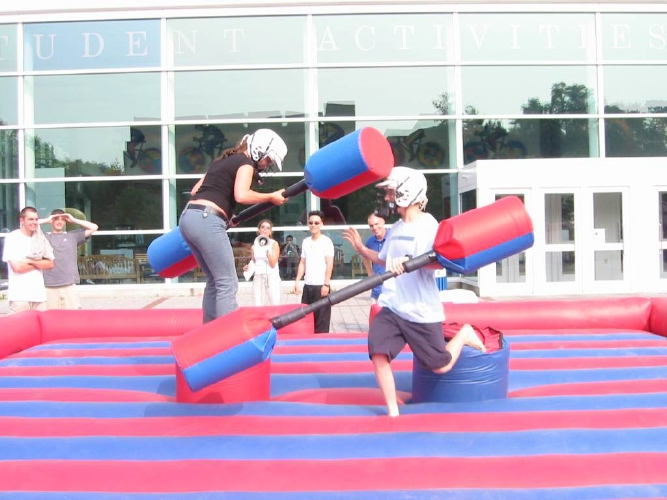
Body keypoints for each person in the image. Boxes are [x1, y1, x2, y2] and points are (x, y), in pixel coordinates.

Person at [342, 167, 486, 417]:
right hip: (394, 306)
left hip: (420, 310)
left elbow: (437, 264)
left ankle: (464, 333)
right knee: (378, 352)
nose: (387, 197)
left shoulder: (429, 226)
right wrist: (361, 249)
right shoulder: (396, 228)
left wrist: (410, 262)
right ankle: (392, 410)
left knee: (439, 366)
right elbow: (385, 259)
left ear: (406, 192)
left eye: (391, 191)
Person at [179, 128, 288, 323]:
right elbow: (241, 195)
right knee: (227, 282)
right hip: (207, 219)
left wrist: (224, 211)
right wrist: (271, 196)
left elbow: (196, 191)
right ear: (259, 149)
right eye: (268, 160)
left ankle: (210, 332)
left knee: (214, 281)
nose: (266, 165)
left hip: (189, 217)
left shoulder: (222, 160)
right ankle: (227, 334)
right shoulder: (245, 163)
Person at [40, 209, 99, 310]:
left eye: (62, 219)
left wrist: (73, 220)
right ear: (52, 221)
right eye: (56, 219)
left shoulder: (72, 236)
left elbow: (94, 227)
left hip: (69, 285)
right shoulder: (44, 237)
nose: (59, 222)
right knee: (50, 317)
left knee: (72, 316)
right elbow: (26, 227)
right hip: (49, 285)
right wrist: (47, 219)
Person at [2, 206, 55, 313]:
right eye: (31, 219)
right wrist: (40, 263)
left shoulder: (40, 238)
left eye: (36, 219)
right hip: (20, 298)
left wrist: (30, 261)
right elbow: (17, 268)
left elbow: (50, 264)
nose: (34, 222)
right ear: (22, 220)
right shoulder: (13, 238)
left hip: (39, 297)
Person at [293, 210, 334, 333]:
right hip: (308, 286)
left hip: (321, 286)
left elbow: (329, 264)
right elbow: (302, 262)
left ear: (321, 224)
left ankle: (322, 344)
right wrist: (297, 281)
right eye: (310, 223)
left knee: (322, 322)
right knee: (306, 320)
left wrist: (326, 284)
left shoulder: (326, 241)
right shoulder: (306, 242)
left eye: (316, 223)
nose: (313, 225)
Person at [248, 219, 281, 306]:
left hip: (271, 276)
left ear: (270, 231)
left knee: (274, 302)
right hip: (258, 275)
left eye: (267, 228)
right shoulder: (254, 246)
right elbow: (253, 262)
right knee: (257, 303)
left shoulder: (274, 244)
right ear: (259, 230)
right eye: (262, 227)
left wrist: (267, 252)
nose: (265, 230)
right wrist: (248, 267)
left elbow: (273, 264)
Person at [362, 213, 390, 303]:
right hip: (377, 290)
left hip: (393, 290)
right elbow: (365, 257)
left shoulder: (393, 238)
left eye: (377, 224)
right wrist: (370, 274)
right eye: (371, 226)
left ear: (383, 222)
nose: (374, 228)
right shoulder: (370, 241)